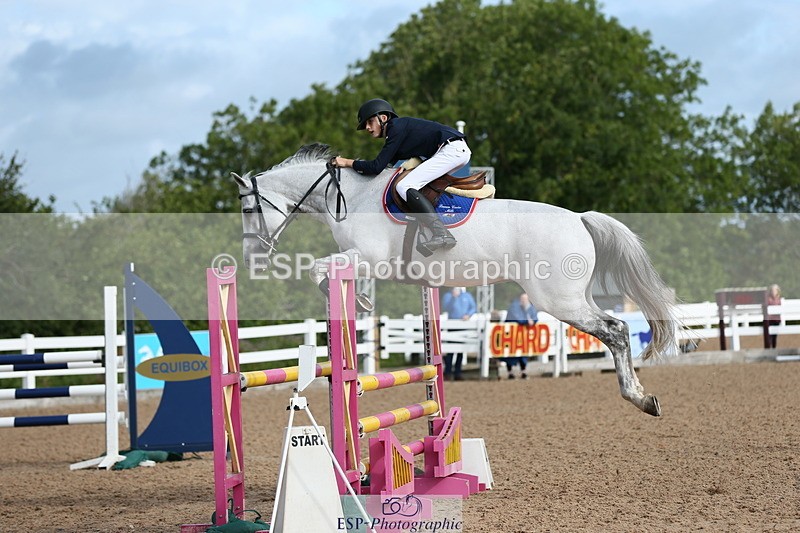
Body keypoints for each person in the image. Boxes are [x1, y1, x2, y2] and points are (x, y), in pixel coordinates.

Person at [333, 98, 472, 253]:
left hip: (451, 150)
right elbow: (383, 167)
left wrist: (346, 162)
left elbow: (376, 167)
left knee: (404, 186)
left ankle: (441, 233)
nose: (367, 127)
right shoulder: (397, 132)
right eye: (365, 124)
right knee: (417, 186)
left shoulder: (395, 127)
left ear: (383, 118)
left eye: (370, 121)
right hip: (455, 150)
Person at [441, 287, 476, 381]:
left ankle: (458, 372)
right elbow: (446, 308)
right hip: (452, 325)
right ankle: (448, 372)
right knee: (450, 350)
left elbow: (473, 307)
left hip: (463, 325)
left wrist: (468, 315)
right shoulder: (448, 296)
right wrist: (454, 298)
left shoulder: (467, 296)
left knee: (461, 350)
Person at [503, 292, 539, 379]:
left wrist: (532, 321)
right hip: (511, 335)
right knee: (510, 353)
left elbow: (535, 318)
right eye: (522, 299)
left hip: (523, 335)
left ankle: (523, 371)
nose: (524, 301)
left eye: (525, 299)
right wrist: (527, 321)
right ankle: (510, 372)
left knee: (523, 353)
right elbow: (518, 318)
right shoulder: (514, 306)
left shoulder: (529, 307)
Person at [766, 284, 782, 348]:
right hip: (770, 320)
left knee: (774, 335)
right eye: (772, 290)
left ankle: (774, 348)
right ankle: (769, 348)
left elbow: (780, 309)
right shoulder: (768, 299)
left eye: (775, 290)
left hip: (776, 320)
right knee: (769, 335)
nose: (773, 292)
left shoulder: (779, 299)